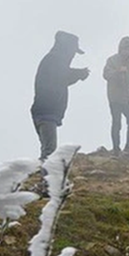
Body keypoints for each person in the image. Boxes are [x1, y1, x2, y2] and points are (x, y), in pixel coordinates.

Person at [31, 31, 90, 161]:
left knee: (47, 150)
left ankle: (44, 178)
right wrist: (79, 74)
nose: (73, 55)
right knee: (49, 153)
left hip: (44, 112)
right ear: (66, 48)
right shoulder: (54, 59)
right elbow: (61, 76)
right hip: (45, 113)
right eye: (73, 51)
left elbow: (60, 78)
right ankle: (45, 180)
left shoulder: (54, 60)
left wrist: (78, 74)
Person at [103, 36, 129, 156]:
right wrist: (118, 72)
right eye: (126, 49)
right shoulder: (112, 60)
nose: (128, 52)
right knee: (117, 122)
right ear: (120, 49)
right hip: (115, 97)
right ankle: (116, 149)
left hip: (127, 98)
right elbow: (106, 74)